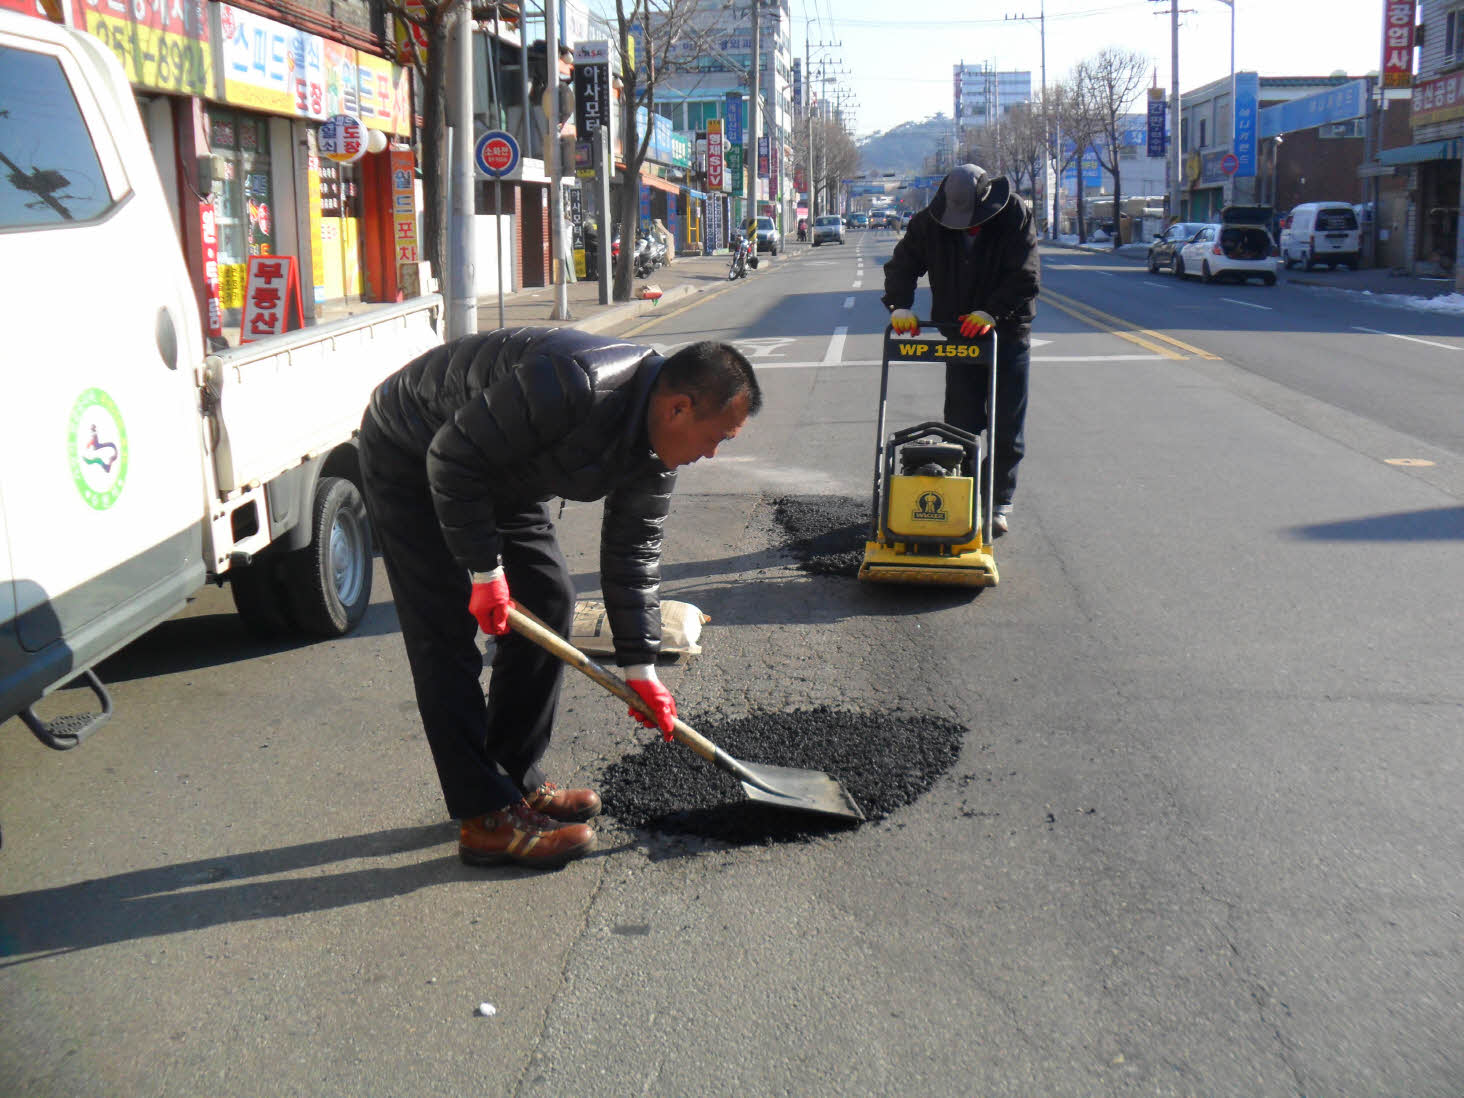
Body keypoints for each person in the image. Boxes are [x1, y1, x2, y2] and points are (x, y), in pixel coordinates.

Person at [358, 329, 761, 870]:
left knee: (549, 596)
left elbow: (632, 553)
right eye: (717, 438)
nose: (712, 454)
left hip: (497, 466)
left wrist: (641, 668)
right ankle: (485, 818)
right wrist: (485, 572)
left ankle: (512, 778)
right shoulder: (575, 383)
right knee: (445, 631)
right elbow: (452, 459)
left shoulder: (657, 448)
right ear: (679, 408)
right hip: (416, 451)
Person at [882, 163, 1040, 536]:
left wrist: (992, 311)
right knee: (961, 420)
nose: (966, 227)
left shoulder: (1014, 214)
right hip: (959, 333)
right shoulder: (930, 220)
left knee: (1006, 423)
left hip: (1008, 332)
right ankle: (961, 494)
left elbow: (1026, 274)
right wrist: (900, 305)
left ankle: (998, 501)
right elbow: (902, 263)